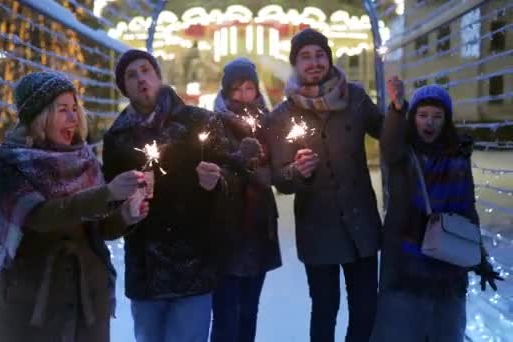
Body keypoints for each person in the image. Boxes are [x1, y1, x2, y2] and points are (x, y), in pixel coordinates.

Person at [0, 71, 149, 342]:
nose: (74, 118)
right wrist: (106, 193)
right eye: (62, 110)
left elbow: (99, 229)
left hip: (88, 302)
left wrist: (126, 215)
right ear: (39, 115)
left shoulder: (85, 160)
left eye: (75, 109)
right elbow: (38, 216)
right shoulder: (5, 164)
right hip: (35, 302)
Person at [265, 28, 402, 342]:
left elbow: (388, 136)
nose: (314, 62)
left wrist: (396, 110)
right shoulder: (283, 115)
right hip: (318, 229)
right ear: (295, 64)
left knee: (366, 307)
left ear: (328, 58)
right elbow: (278, 178)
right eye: (305, 57)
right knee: (325, 308)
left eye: (319, 55)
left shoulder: (354, 97)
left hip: (361, 226)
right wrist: (296, 171)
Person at [102, 49, 235, 342]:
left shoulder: (199, 122)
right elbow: (108, 202)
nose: (140, 79)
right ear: (124, 87)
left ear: (159, 77)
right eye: (131, 75)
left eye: (145, 70)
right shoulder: (117, 138)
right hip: (145, 271)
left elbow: (233, 176)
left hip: (192, 266)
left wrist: (216, 182)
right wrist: (124, 207)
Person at [370, 84, 503, 342]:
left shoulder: (458, 156)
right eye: (422, 115)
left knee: (446, 332)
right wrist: (398, 109)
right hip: (408, 264)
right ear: (413, 118)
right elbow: (390, 145)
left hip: (449, 265)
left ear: (446, 120)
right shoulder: (403, 154)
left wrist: (479, 255)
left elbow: (466, 208)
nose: (429, 122)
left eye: (437, 116)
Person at [210, 58, 281, 342]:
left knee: (249, 310)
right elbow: (212, 171)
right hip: (226, 230)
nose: (243, 96)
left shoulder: (269, 123)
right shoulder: (212, 124)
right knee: (226, 313)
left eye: (249, 88)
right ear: (226, 91)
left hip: (258, 229)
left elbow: (280, 172)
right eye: (236, 89)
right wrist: (239, 164)